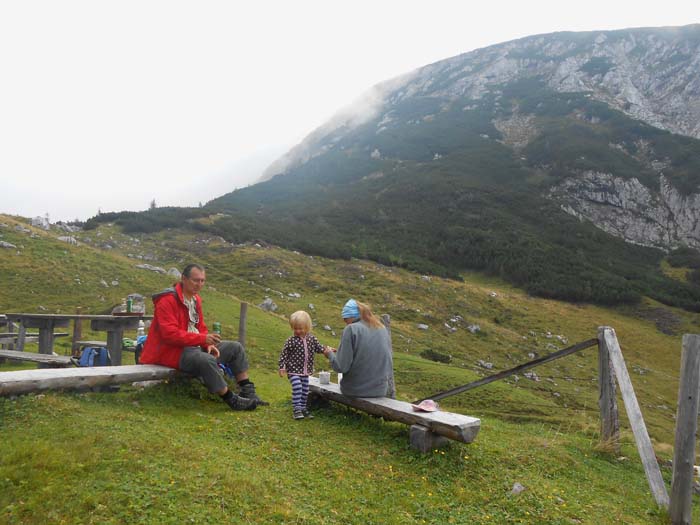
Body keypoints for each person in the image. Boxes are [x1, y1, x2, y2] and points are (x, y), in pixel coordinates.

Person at [139, 263, 267, 411]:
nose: (199, 284)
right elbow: (170, 335)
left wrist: (208, 345)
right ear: (184, 279)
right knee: (205, 359)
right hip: (170, 352)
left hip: (194, 347)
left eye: (202, 281)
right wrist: (202, 340)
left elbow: (200, 328)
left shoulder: (195, 299)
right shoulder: (167, 301)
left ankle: (248, 392)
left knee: (235, 348)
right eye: (195, 280)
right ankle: (231, 399)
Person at [323, 299, 395, 398]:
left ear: (351, 316)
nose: (345, 323)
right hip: (380, 391)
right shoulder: (381, 328)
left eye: (345, 319)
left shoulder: (351, 329)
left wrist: (330, 354)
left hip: (355, 390)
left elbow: (341, 367)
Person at [278, 310, 327, 420]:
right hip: (293, 370)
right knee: (297, 387)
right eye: (295, 328)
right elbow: (283, 354)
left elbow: (319, 348)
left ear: (307, 327)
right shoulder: (291, 340)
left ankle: (303, 408)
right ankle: (296, 409)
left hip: (305, 371)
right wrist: (282, 367)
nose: (297, 331)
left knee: (305, 389)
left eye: (300, 328)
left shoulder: (312, 339)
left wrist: (327, 350)